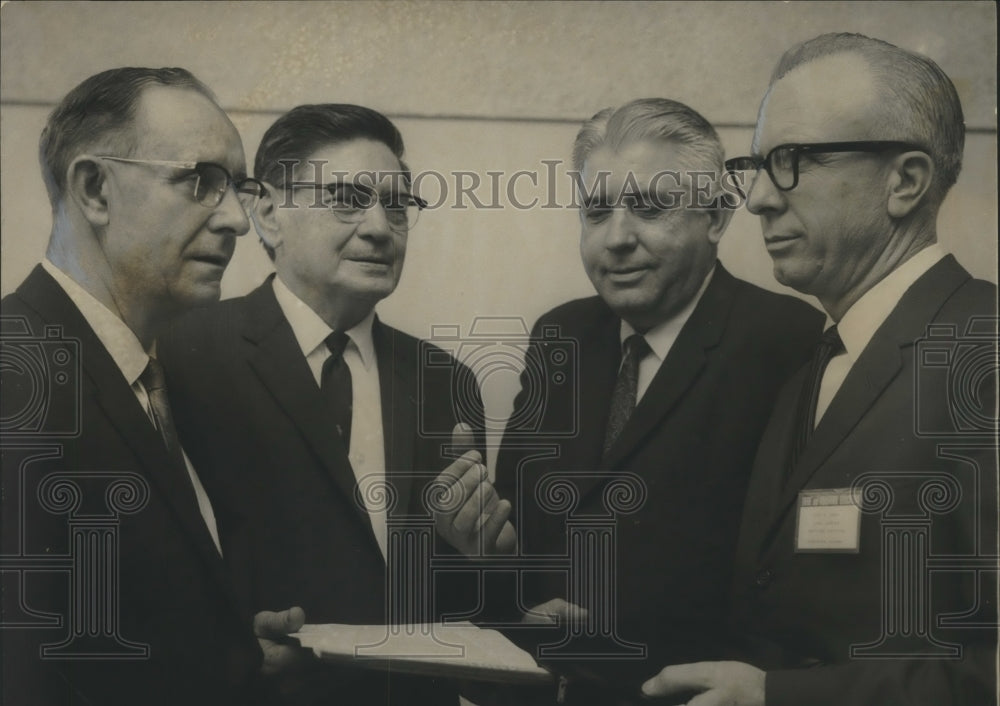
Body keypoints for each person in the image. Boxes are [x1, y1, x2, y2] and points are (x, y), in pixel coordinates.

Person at [642, 33, 998, 706]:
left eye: (794, 160)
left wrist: (781, 696)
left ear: (907, 181)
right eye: (760, 164)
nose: (758, 201)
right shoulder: (810, 365)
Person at [160, 103, 514, 705]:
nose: (380, 227)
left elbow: (461, 617)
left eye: (397, 206)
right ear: (269, 213)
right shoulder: (185, 352)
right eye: (348, 199)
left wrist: (477, 556)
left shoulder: (443, 380)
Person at [493, 98, 824, 700]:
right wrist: (484, 547)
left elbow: (796, 581)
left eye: (650, 208)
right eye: (597, 212)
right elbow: (523, 525)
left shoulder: (786, 341)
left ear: (717, 217)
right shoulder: (559, 335)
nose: (618, 238)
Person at [0, 67, 302, 706]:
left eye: (237, 188)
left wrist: (228, 649)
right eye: (201, 182)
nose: (238, 222)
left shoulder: (152, 376)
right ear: (94, 189)